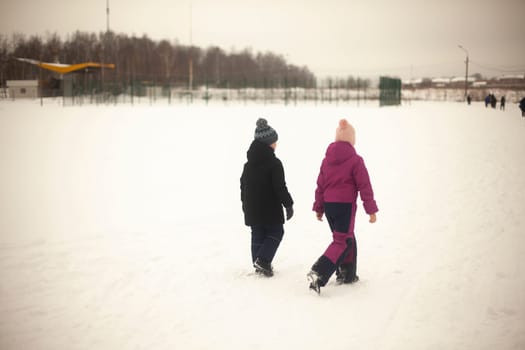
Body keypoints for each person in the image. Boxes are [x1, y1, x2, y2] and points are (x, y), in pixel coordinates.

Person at [307, 119, 378, 294]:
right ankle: (320, 272)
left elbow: (320, 185)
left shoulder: (327, 160)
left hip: (330, 207)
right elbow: (365, 186)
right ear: (351, 140)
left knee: (347, 238)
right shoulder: (356, 160)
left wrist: (319, 207)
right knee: (343, 241)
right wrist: (371, 209)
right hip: (344, 206)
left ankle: (347, 273)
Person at [240, 118, 294, 277]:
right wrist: (288, 204)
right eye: (274, 142)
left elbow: (243, 186)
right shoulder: (274, 163)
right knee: (276, 232)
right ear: (268, 143)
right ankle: (263, 260)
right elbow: (280, 187)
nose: (276, 144)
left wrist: (245, 205)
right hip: (269, 207)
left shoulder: (248, 165)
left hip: (252, 207)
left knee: (257, 233)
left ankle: (258, 264)